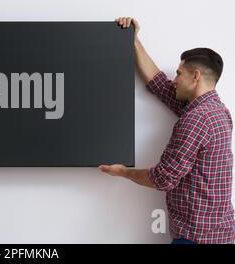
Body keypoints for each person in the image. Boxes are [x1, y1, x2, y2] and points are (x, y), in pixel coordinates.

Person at [99, 17, 235, 244]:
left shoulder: (196, 119)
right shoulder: (217, 111)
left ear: (196, 77)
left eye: (180, 73)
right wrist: (133, 39)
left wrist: (122, 172)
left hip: (197, 237)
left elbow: (163, 178)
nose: (174, 80)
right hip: (218, 233)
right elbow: (159, 84)